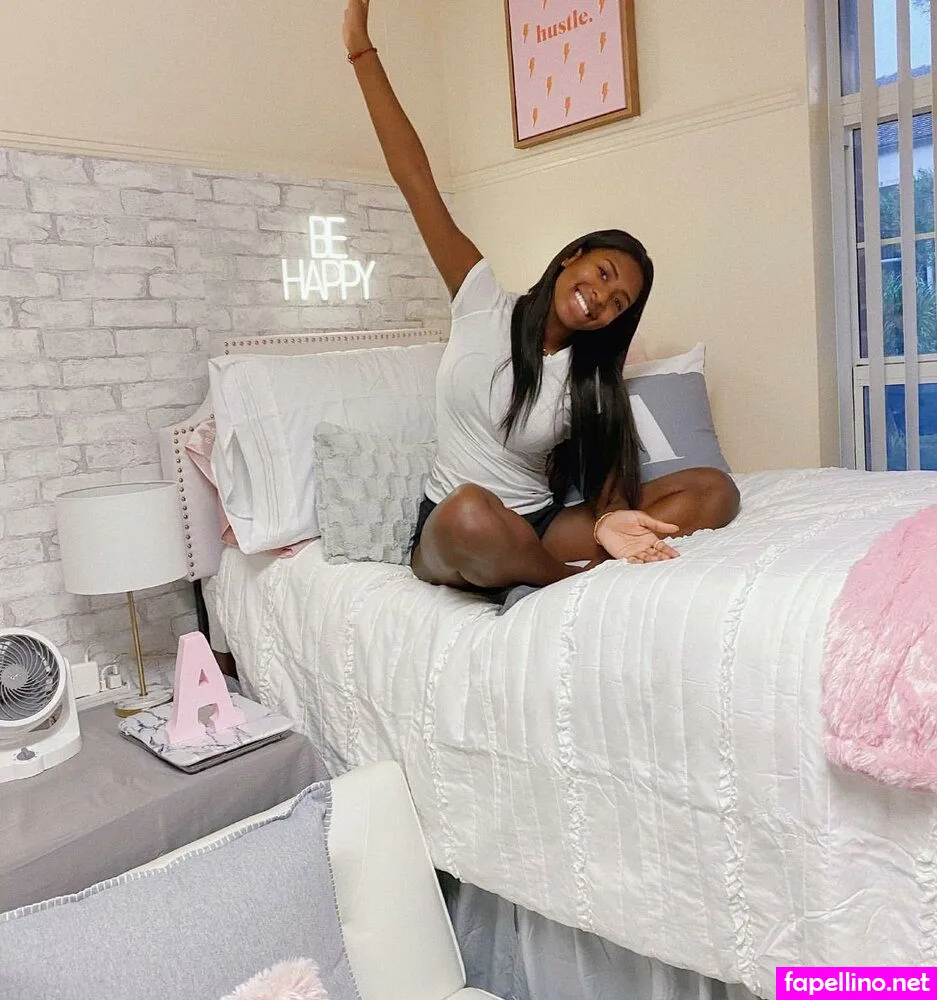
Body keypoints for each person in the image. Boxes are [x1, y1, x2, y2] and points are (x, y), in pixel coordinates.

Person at [342, 0, 739, 599]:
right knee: (470, 510)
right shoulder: (480, 300)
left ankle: (551, 568)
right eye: (602, 274)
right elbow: (416, 179)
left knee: (715, 489)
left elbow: (608, 483)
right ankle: (565, 586)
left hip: (542, 524)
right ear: (571, 256)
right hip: (454, 528)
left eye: (618, 302)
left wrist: (609, 521)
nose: (600, 299)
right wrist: (359, 48)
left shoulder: (590, 375)